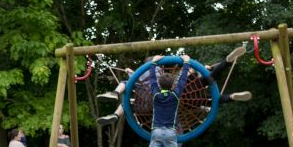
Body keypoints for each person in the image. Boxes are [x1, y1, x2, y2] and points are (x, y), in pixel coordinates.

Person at [97, 46, 251, 127]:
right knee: (210, 87)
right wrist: (195, 69)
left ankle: (115, 112)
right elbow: (183, 77)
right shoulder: (166, 77)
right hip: (184, 95)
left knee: (127, 101)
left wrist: (131, 72)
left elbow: (134, 76)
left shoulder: (140, 75)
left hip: (149, 104)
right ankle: (227, 67)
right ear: (162, 68)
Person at [143, 54, 191, 147]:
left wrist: (153, 63)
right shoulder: (176, 95)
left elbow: (151, 79)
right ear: (172, 85)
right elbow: (183, 79)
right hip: (171, 133)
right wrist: (186, 62)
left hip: (156, 132)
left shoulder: (156, 94)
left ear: (160, 84)